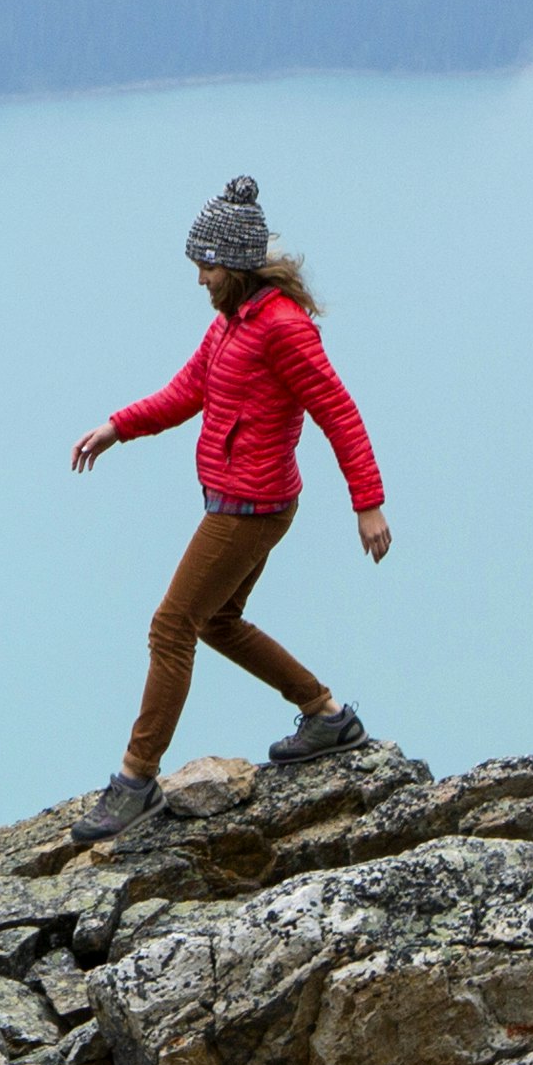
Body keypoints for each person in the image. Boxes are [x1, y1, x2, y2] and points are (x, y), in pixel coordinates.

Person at [64, 174, 390, 840]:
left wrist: (368, 504)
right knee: (214, 621)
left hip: (249, 506)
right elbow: (187, 391)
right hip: (236, 500)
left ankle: (135, 781)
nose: (199, 278)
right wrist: (116, 426)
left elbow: (338, 411)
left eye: (205, 265)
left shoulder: (281, 329)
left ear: (234, 263)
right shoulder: (231, 325)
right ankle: (325, 715)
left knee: (170, 625)